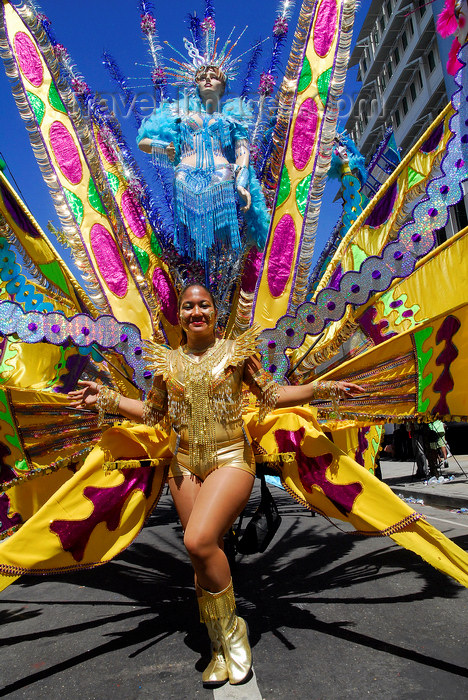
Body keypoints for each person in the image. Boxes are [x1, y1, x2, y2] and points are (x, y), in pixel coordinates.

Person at [68, 282, 364, 686]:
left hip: (231, 458)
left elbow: (272, 394)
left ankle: (235, 634)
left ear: (214, 311)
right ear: (180, 317)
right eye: (188, 307)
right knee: (202, 559)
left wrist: (324, 388)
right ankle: (219, 647)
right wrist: (106, 398)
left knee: (198, 540)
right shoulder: (165, 363)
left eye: (203, 305)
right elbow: (154, 414)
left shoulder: (238, 352)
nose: (196, 312)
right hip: (184, 465)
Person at [137, 66, 269, 264]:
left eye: (213, 77)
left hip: (221, 177)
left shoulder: (233, 119)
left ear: (223, 87)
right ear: (196, 85)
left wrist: (241, 183)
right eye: (202, 78)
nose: (207, 80)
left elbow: (243, 152)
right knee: (193, 246)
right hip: (186, 178)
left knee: (220, 249)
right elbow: (143, 142)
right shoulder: (178, 113)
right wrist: (164, 148)